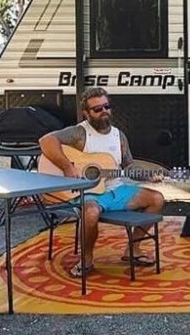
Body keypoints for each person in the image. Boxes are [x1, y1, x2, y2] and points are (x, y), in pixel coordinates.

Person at [39, 86, 164, 278]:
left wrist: (148, 176)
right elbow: (46, 141)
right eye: (97, 109)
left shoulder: (118, 135)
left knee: (157, 199)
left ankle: (133, 249)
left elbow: (128, 166)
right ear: (86, 113)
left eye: (107, 106)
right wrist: (67, 167)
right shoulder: (79, 133)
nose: (104, 111)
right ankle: (87, 259)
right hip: (89, 193)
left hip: (116, 190)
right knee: (90, 213)